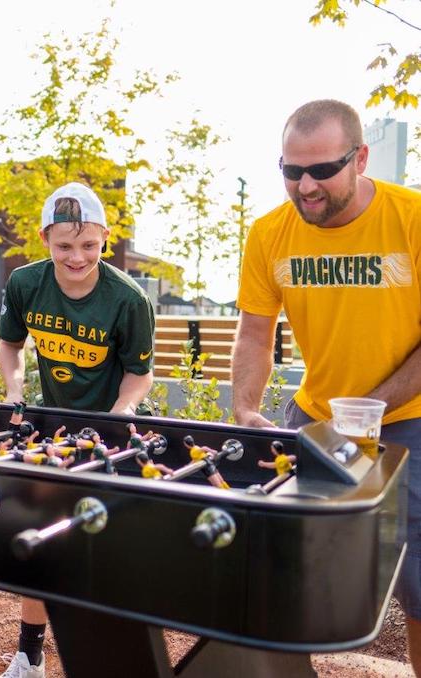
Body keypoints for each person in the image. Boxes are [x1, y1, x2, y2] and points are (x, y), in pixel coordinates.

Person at [231, 99, 421, 675]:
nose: (305, 186)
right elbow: (256, 333)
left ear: (360, 158)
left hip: (411, 416)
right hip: (317, 417)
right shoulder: (270, 234)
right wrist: (243, 404)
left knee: (418, 582)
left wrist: (372, 406)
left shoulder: (411, 218)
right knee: (289, 571)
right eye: (291, 171)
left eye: (321, 170)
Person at [0, 181, 155, 677]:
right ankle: (30, 657)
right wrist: (14, 391)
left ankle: (118, 660)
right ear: (46, 238)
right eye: (64, 245)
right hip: (54, 429)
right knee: (40, 541)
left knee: (109, 554)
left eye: (89, 245)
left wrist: (122, 411)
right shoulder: (25, 284)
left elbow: (141, 371)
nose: (77, 257)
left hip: (115, 435)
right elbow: (10, 346)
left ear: (105, 238)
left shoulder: (128, 299)